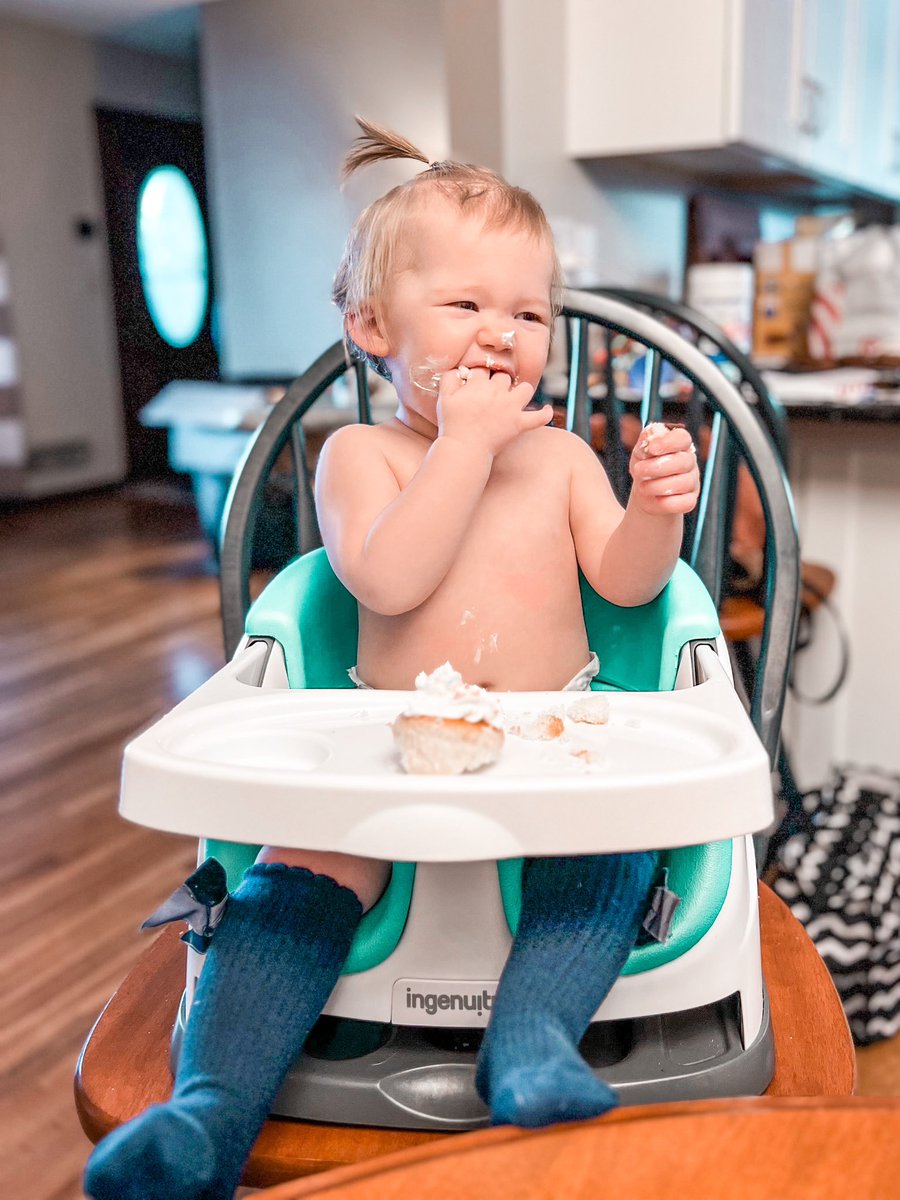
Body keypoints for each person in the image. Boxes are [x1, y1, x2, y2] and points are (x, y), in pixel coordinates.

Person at [85, 118, 700, 1200]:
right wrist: (461, 446)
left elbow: (630, 587)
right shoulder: (358, 456)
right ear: (373, 324)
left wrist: (654, 513)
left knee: (608, 865)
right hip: (385, 746)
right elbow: (389, 579)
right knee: (291, 882)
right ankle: (209, 1112)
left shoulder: (560, 458)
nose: (500, 334)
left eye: (528, 313)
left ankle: (534, 1048)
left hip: (552, 747)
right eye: (464, 306)